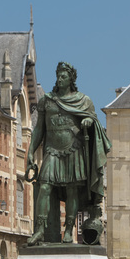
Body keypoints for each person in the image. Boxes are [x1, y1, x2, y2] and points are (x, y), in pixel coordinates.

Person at [25, 61, 110, 245]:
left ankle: (69, 231)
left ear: (71, 79)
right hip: (52, 151)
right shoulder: (46, 100)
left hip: (74, 149)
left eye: (64, 76)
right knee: (45, 187)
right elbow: (39, 129)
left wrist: (88, 121)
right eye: (58, 75)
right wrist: (30, 151)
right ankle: (39, 230)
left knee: (72, 191)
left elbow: (95, 123)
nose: (60, 79)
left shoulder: (83, 101)